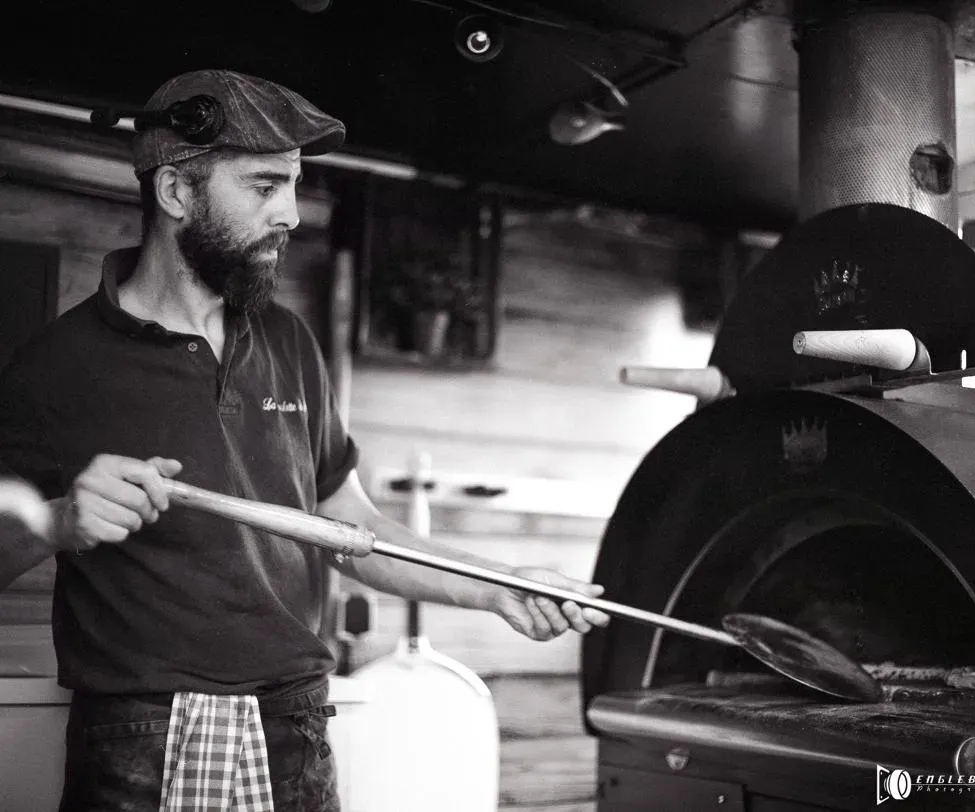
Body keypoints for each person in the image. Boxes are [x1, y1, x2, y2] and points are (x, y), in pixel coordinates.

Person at [0, 69, 609, 812]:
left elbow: (354, 532)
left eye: (292, 184)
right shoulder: (60, 365)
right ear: (174, 192)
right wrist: (62, 520)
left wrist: (502, 586)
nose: (289, 213)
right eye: (263, 186)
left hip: (294, 723)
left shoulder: (288, 341)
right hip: (139, 736)